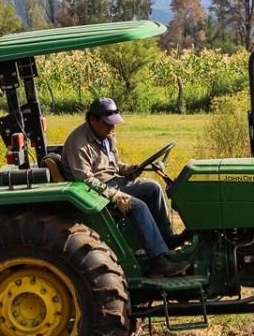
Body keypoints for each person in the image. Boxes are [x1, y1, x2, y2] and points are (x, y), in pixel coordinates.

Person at [62, 97, 189, 278]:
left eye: (114, 123)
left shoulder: (107, 136)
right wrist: (115, 195)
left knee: (153, 188)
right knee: (137, 206)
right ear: (92, 119)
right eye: (107, 123)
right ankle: (158, 263)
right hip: (94, 193)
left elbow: (113, 165)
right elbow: (85, 179)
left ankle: (166, 241)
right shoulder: (78, 143)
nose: (112, 128)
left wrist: (128, 168)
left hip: (114, 181)